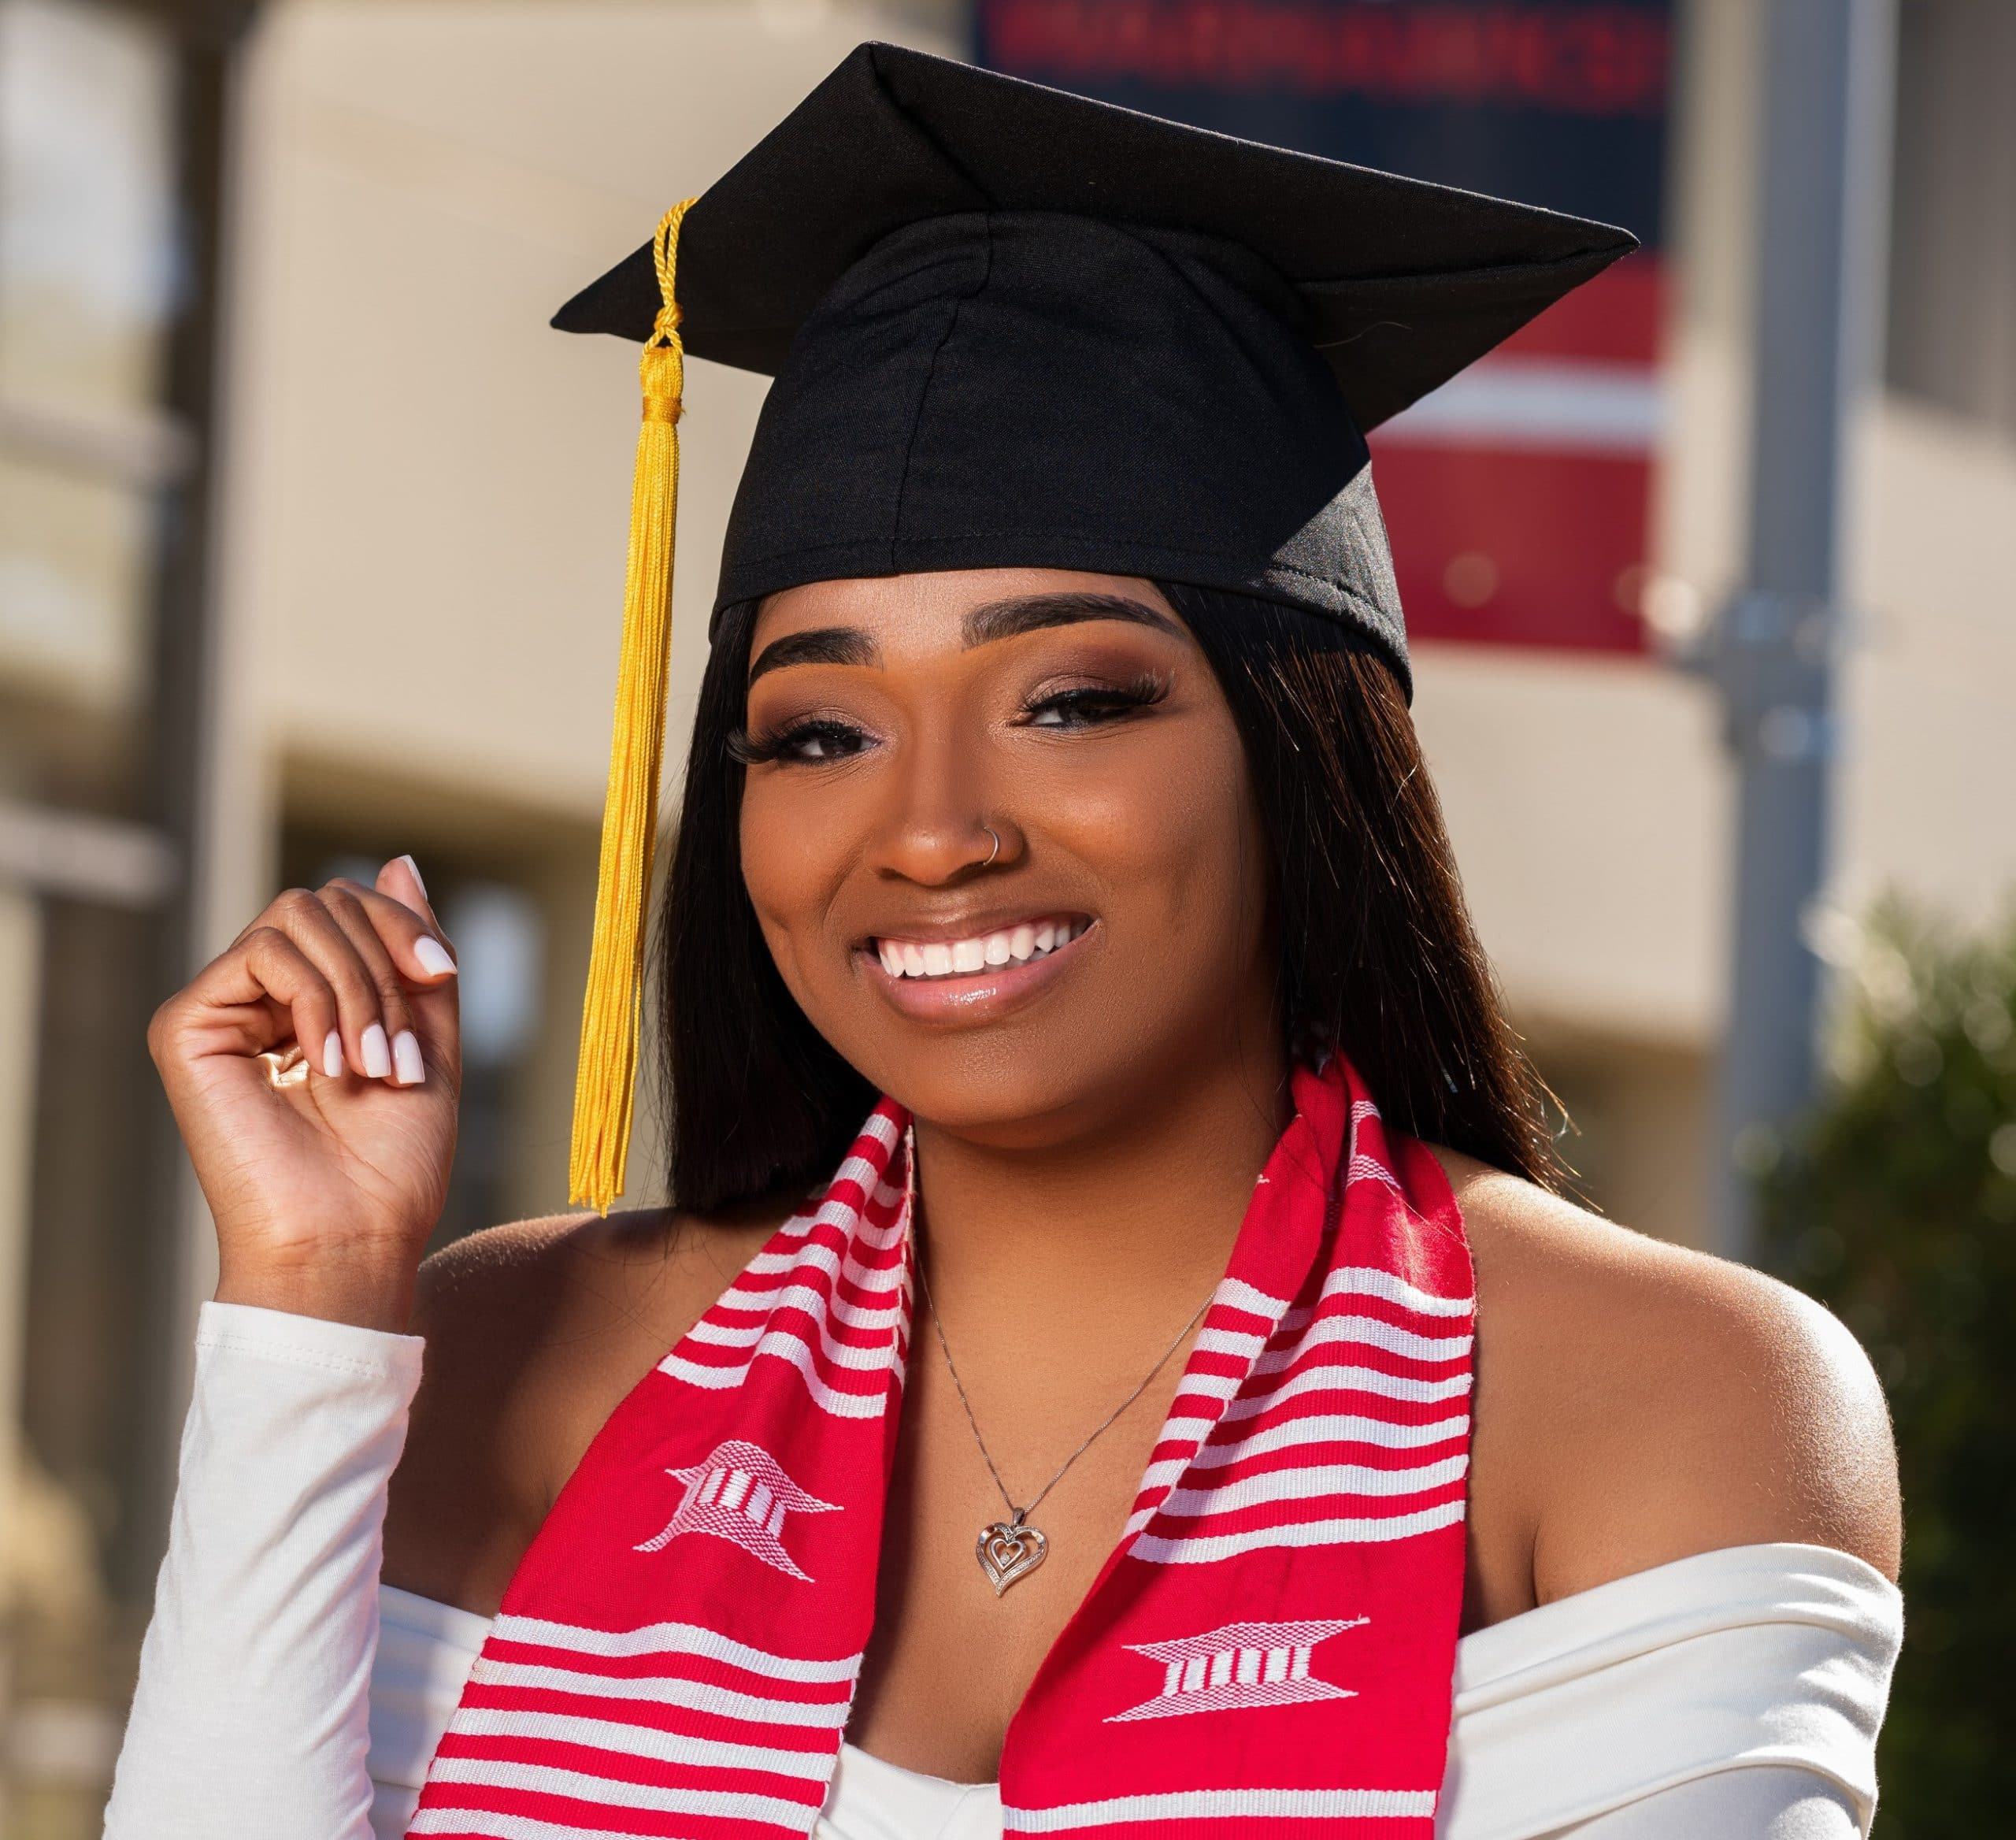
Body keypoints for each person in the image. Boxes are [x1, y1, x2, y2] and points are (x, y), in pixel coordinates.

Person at [106, 42, 1900, 1840]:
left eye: (1070, 700)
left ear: (1298, 749)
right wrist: (315, 1297)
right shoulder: (514, 1357)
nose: (932, 829)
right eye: (816, 731)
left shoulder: (1647, 1397)